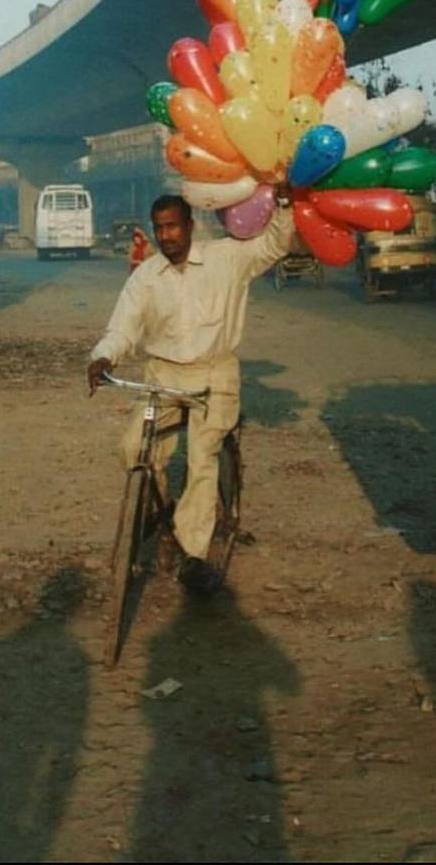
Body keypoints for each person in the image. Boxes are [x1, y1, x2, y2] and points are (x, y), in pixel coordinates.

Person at [87, 189, 295, 593]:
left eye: (173, 227)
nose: (166, 236)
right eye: (159, 228)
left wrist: (284, 207)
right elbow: (123, 329)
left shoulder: (226, 258)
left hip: (214, 375)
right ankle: (165, 515)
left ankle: (194, 554)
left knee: (202, 458)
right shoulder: (145, 276)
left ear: (189, 227)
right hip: (162, 376)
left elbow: (273, 245)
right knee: (134, 450)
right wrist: (104, 358)